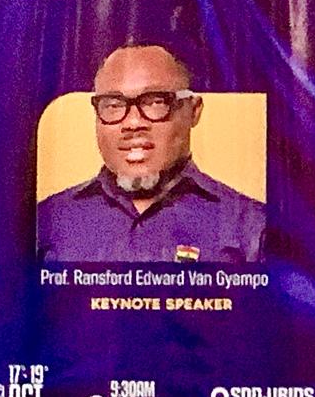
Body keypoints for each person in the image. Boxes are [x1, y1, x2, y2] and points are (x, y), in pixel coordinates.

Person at [37, 44, 266, 263]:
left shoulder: (251, 227)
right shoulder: (46, 222)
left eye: (156, 102)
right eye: (113, 105)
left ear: (193, 110)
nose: (133, 123)